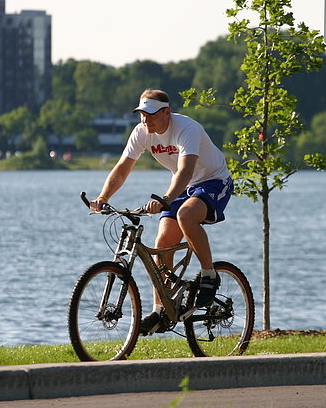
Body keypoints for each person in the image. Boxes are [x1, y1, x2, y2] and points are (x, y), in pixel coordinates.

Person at [89, 89, 233, 335]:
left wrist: (166, 199)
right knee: (162, 242)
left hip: (213, 181)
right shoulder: (141, 132)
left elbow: (186, 169)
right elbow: (122, 168)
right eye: (141, 114)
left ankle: (209, 275)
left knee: (185, 216)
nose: (145, 120)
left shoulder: (187, 128)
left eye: (151, 114)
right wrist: (103, 197)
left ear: (167, 112)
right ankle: (160, 310)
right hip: (184, 187)